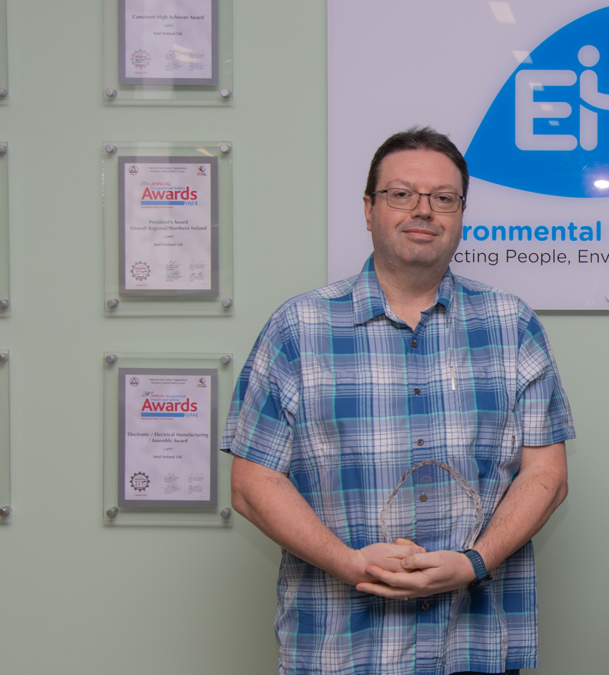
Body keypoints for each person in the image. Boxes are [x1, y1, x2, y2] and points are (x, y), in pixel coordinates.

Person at [224, 126, 575, 675]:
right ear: (369, 209)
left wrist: (473, 563)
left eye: (443, 198)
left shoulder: (512, 324)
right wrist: (350, 563)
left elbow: (546, 474)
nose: (423, 210)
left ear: (461, 213)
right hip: (339, 645)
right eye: (401, 194)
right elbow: (252, 484)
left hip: (473, 643)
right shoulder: (298, 327)